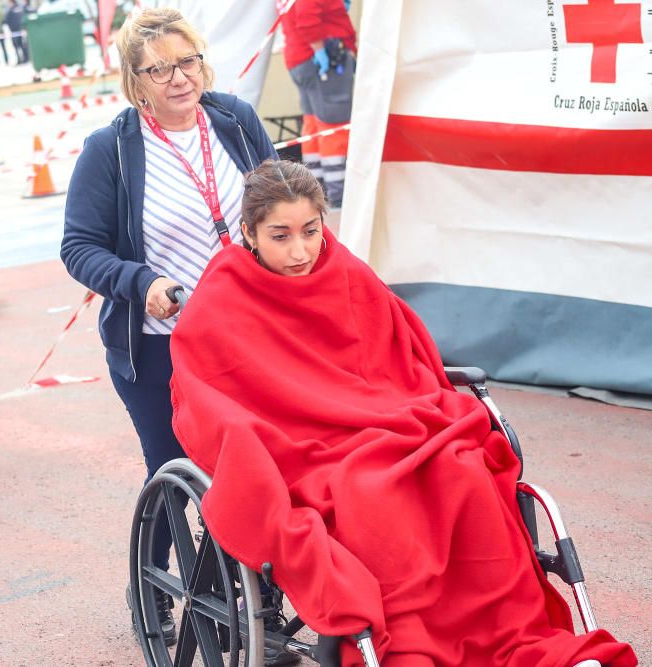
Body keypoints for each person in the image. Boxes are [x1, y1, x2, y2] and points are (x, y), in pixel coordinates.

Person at [168, 161, 638, 666]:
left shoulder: (345, 271)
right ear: (249, 232)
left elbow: (403, 358)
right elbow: (208, 391)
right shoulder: (222, 295)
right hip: (300, 445)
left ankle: (511, 638)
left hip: (387, 419)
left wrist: (398, 413)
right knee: (369, 492)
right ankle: (408, 646)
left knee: (462, 468)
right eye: (280, 236)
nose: (300, 251)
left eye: (310, 231)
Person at [60, 7, 282, 658]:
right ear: (136, 79)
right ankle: (151, 583)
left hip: (245, 333)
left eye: (188, 61)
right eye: (161, 68)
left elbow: (275, 204)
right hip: (161, 343)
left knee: (256, 460)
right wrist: (141, 281)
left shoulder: (235, 119)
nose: (181, 78)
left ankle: (254, 583)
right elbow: (79, 247)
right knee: (175, 466)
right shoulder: (114, 149)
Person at [280, 0, 355, 208]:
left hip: (300, 58)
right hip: (324, 56)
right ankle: (339, 199)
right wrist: (319, 48)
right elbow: (306, 16)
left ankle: (317, 195)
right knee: (334, 128)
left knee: (314, 127)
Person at [3, 0, 28, 65]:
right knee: (21, 46)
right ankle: (25, 58)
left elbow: (5, 20)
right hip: (19, 30)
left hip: (15, 31)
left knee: (18, 46)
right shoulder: (20, 9)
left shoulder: (10, 10)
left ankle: (22, 59)